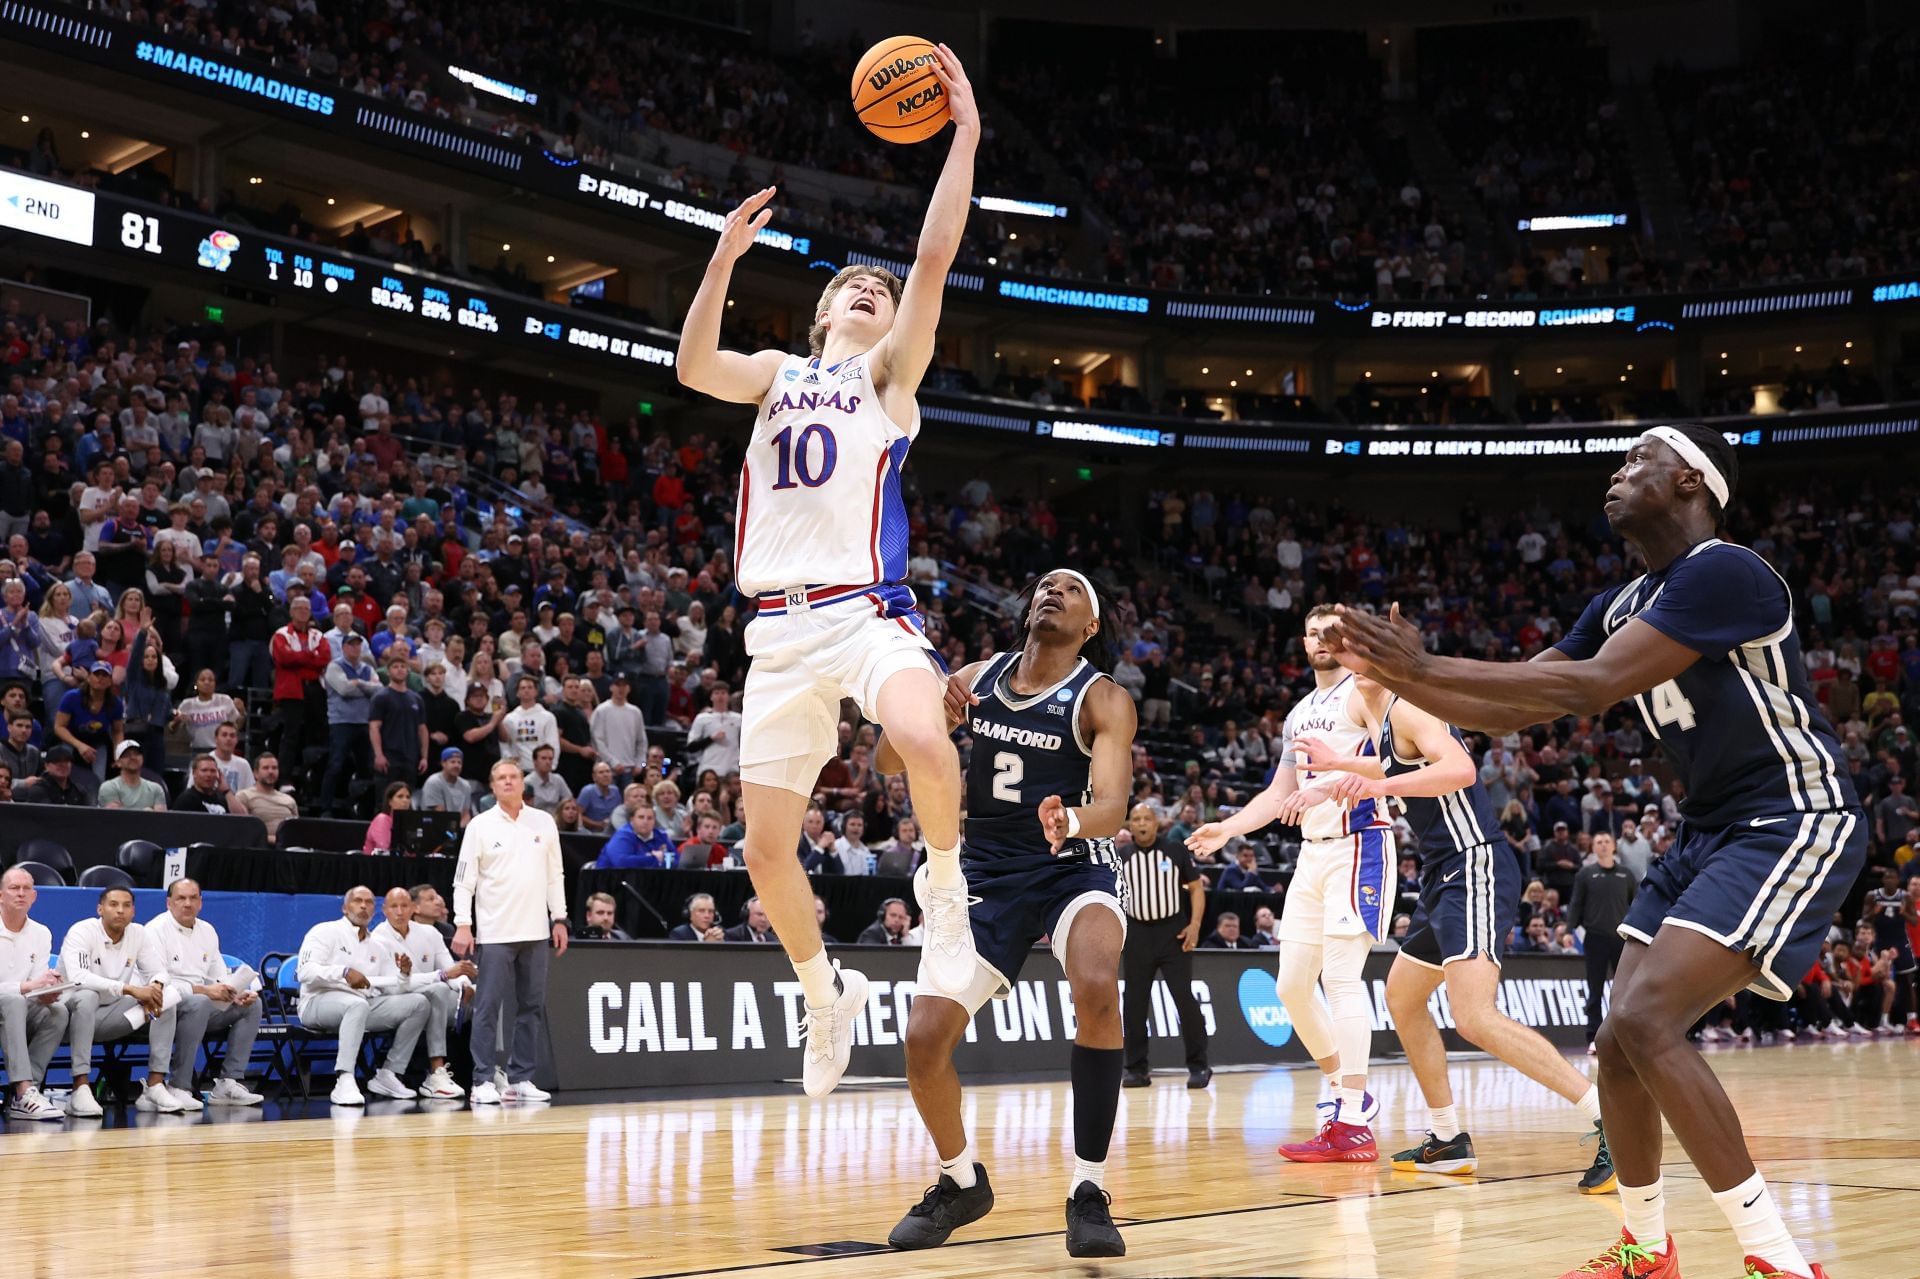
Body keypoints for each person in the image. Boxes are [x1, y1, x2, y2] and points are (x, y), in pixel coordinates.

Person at [1330, 424, 1862, 1279]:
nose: (1617, 474)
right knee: (1617, 1042)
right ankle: (1648, 1247)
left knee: (1648, 1021)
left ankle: (1780, 1261)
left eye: (1637, 460)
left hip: (1789, 815)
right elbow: (1518, 707)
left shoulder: (1726, 570)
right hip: (1708, 827)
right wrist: (1410, 679)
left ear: (1692, 479)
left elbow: (1590, 686)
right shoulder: (1620, 602)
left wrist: (1424, 664)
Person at [673, 44, 981, 1099]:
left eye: (878, 289)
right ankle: (823, 991)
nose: (868, 287)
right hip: (778, 632)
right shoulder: (777, 374)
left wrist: (965, 137)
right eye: (850, 284)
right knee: (763, 852)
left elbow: (932, 259)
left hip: (864, 612)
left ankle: (945, 901)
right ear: (818, 313)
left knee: (922, 734)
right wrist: (721, 259)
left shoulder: (889, 378)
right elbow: (692, 367)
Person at [878, 569, 1133, 1257]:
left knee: (1097, 981)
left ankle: (1088, 1189)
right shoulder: (973, 676)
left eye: (1074, 589)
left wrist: (1073, 819)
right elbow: (883, 759)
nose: (1053, 590)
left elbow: (1114, 804)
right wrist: (933, 717)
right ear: (1027, 607)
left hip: (1071, 861)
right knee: (924, 1038)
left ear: (1089, 626)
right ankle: (961, 1182)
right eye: (1045, 584)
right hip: (984, 871)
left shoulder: (1102, 696)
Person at [1295, 675, 1613, 1197]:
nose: (1350, 669)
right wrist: (1343, 765)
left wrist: (1376, 786)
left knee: (1473, 1016)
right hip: (1443, 872)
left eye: (1359, 654)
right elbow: (1398, 766)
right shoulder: (1378, 716)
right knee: (1402, 996)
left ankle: (1610, 1118)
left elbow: (1460, 769)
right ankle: (1447, 1139)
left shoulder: (1410, 708)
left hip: (1474, 864)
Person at [1191, 603, 1394, 1158]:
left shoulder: (1364, 691)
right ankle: (1345, 1094)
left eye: (1331, 631)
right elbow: (1279, 794)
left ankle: (1351, 1116)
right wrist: (1227, 829)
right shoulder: (1299, 712)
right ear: (1303, 644)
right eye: (1312, 633)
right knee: (1290, 987)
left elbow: (1394, 764)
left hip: (1362, 843)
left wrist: (1328, 786)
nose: (1321, 639)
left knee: (1344, 981)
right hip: (1312, 855)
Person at [452, 759, 568, 1105]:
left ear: (522, 783)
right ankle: (483, 1079)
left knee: (531, 1007)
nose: (507, 782)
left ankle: (520, 1078)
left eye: (513, 776)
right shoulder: (480, 826)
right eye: (500, 777)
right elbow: (463, 879)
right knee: (488, 1006)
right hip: (494, 932)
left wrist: (559, 917)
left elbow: (555, 876)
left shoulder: (543, 821)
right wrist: (462, 923)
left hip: (535, 932)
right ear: (492, 786)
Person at [295, 885, 433, 1106]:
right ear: (344, 907)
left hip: (361, 1006)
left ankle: (389, 1074)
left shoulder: (376, 945)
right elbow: (305, 972)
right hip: (317, 1003)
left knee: (419, 1004)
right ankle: (344, 1079)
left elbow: (393, 988)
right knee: (356, 1004)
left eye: (369, 902)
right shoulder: (324, 931)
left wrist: (404, 974)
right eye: (357, 901)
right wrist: (344, 972)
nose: (363, 906)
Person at [59, 885, 189, 1115]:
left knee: (164, 997)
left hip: (111, 1015)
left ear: (133, 911)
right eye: (113, 904)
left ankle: (155, 1085)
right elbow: (78, 978)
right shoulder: (82, 931)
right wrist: (129, 989)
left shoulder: (138, 933)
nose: (120, 910)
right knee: (87, 996)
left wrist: (155, 986)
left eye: (126, 905)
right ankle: (80, 1088)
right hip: (71, 1018)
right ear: (100, 909)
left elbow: (159, 971)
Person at [146, 878, 264, 1106]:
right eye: (181, 898)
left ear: (201, 903)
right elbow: (156, 983)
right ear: (169, 903)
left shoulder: (207, 930)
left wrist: (236, 992)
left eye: (193, 898)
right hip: (165, 1006)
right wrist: (205, 991)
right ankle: (178, 1085)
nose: (187, 904)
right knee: (199, 1002)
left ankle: (228, 1082)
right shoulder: (155, 930)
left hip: (201, 1003)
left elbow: (219, 976)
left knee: (252, 1005)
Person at [1117, 803, 1209, 1088]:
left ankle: (1199, 1066)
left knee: (1183, 998)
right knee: (1133, 1004)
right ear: (1130, 825)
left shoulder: (1174, 850)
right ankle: (1136, 1069)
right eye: (1136, 819)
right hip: (1137, 934)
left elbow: (1196, 888)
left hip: (1172, 933)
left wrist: (1194, 926)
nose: (1142, 823)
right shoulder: (1121, 856)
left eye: (1147, 818)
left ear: (1156, 823)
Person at [370, 886, 473, 1099]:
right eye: (394, 907)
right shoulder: (379, 938)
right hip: (398, 999)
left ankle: (490, 1073)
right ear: (385, 910)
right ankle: (436, 1072)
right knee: (434, 991)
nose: (399, 912)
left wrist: (464, 984)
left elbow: (450, 968)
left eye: (404, 906)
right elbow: (398, 984)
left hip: (435, 996)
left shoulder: (429, 932)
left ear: (413, 909)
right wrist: (443, 975)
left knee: (485, 995)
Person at [0, 866, 69, 1121]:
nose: (21, 893)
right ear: (0, 895)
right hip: (10, 1003)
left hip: (18, 1006)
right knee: (15, 1000)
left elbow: (37, 983)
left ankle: (28, 1092)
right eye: (14, 888)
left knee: (58, 1012)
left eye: (26, 888)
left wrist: (47, 991)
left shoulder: (41, 933)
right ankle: (22, 1089)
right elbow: (26, 987)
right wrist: (29, 987)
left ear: (34, 896)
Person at [1568, 834, 1638, 1055]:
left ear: (1614, 846)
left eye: (1607, 841)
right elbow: (1576, 904)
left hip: (1622, 939)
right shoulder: (1585, 874)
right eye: (1599, 842)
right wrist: (1569, 930)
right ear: (1593, 847)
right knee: (1595, 990)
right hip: (1595, 938)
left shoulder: (1626, 875)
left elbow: (1636, 906)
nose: (1604, 845)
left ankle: (1625, 1037)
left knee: (1625, 990)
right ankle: (1594, 1037)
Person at [320, 631, 381, 817]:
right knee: (335, 765)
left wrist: (357, 683)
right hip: (341, 722)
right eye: (351, 645)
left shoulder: (367, 668)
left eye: (358, 644)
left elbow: (379, 691)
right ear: (344, 647)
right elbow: (344, 689)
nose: (355, 648)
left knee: (366, 769)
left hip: (363, 722)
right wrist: (365, 687)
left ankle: (362, 809)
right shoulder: (335, 666)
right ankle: (326, 808)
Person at [1862, 867, 1917, 1034]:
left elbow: (1914, 920)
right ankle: (1881, 1020)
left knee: (1907, 981)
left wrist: (1904, 914)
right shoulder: (1873, 895)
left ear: (1898, 880)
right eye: (1886, 877)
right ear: (1883, 880)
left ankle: (1911, 1019)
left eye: (1892, 877)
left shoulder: (1905, 897)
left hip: (1900, 941)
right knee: (1880, 981)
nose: (1889, 880)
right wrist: (1874, 912)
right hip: (1881, 942)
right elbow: (1864, 917)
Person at [370, 652, 428, 783]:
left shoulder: (417, 698)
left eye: (403, 666)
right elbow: (374, 727)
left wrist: (424, 757)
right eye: (395, 666)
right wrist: (378, 755)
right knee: (385, 799)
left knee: (407, 798)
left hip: (411, 757)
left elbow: (422, 729)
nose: (400, 669)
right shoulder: (381, 697)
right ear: (388, 672)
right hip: (389, 756)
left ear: (408, 671)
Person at [590, 672, 646, 782]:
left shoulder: (635, 712)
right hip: (607, 770)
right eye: (617, 685)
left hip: (629, 769)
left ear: (629, 688)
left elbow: (641, 741)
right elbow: (597, 740)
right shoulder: (602, 710)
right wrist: (612, 762)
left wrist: (640, 763)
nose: (621, 689)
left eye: (624, 685)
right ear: (611, 687)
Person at [235, 753, 299, 841]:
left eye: (274, 768)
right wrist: (270, 839)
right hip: (259, 848)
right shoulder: (244, 796)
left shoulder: (289, 800)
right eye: (266, 768)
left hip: (287, 848)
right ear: (255, 773)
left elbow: (297, 829)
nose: (271, 771)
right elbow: (244, 830)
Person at [687, 682, 742, 779]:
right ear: (711, 697)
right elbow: (691, 747)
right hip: (709, 767)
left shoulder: (738, 719)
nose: (720, 696)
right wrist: (711, 738)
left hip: (732, 768)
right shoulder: (702, 718)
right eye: (716, 693)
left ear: (728, 697)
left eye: (723, 693)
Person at [599, 801, 675, 869]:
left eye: (650, 818)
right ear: (632, 819)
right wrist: (655, 859)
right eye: (641, 817)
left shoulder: (661, 836)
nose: (645, 822)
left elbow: (676, 861)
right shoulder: (622, 836)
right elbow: (622, 863)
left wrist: (662, 861)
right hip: (613, 880)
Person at [97, 739, 165, 811]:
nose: (133, 757)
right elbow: (114, 818)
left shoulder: (156, 789)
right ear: (118, 762)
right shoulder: (109, 787)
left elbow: (161, 819)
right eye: (126, 755)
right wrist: (146, 811)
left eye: (137, 753)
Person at [17, 743, 89, 806]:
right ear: (46, 766)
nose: (63, 766)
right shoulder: (38, 790)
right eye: (57, 762)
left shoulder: (79, 791)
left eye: (66, 762)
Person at [171, 753, 244, 814]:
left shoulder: (222, 798)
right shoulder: (185, 800)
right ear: (194, 773)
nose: (209, 775)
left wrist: (226, 791)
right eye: (204, 770)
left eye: (213, 771)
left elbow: (242, 820)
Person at [422, 746, 477, 823]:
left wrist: (461, 830)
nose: (456, 765)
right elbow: (440, 814)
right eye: (453, 762)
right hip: (436, 825)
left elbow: (466, 814)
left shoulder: (466, 785)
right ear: (443, 763)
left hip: (458, 827)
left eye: (459, 762)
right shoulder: (434, 782)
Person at [363, 781, 413, 854]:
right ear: (390, 801)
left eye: (408, 797)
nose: (405, 800)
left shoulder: (410, 821)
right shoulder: (382, 819)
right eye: (400, 796)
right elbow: (384, 849)